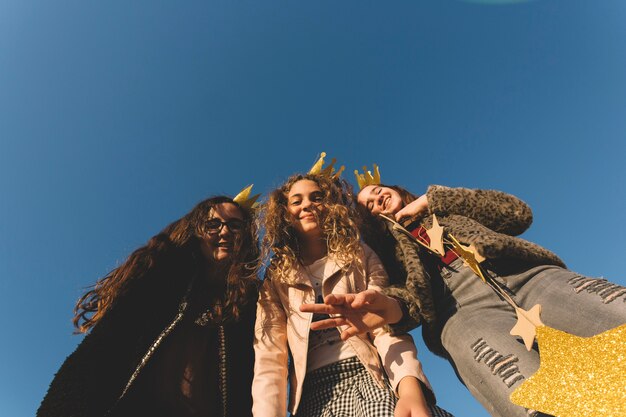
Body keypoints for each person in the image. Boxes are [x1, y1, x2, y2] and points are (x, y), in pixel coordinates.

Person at [302, 178, 626, 417]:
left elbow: (516, 213)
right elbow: (412, 301)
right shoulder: (386, 253)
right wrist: (389, 307)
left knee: (611, 312)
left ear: (397, 189)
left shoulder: (443, 209)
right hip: (457, 314)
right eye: (368, 206)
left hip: (524, 277)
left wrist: (435, 200)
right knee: (525, 393)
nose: (376, 199)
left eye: (378, 191)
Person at [38, 194, 261, 417]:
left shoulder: (254, 303)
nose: (224, 232)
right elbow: (100, 353)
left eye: (235, 225)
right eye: (213, 224)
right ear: (197, 231)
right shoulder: (160, 282)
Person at [252, 171, 453, 417]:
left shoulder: (361, 255)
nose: (308, 205)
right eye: (297, 201)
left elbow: (385, 328)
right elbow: (270, 357)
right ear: (284, 213)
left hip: (368, 377)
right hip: (310, 396)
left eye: (317, 197)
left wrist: (410, 390)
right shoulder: (275, 278)